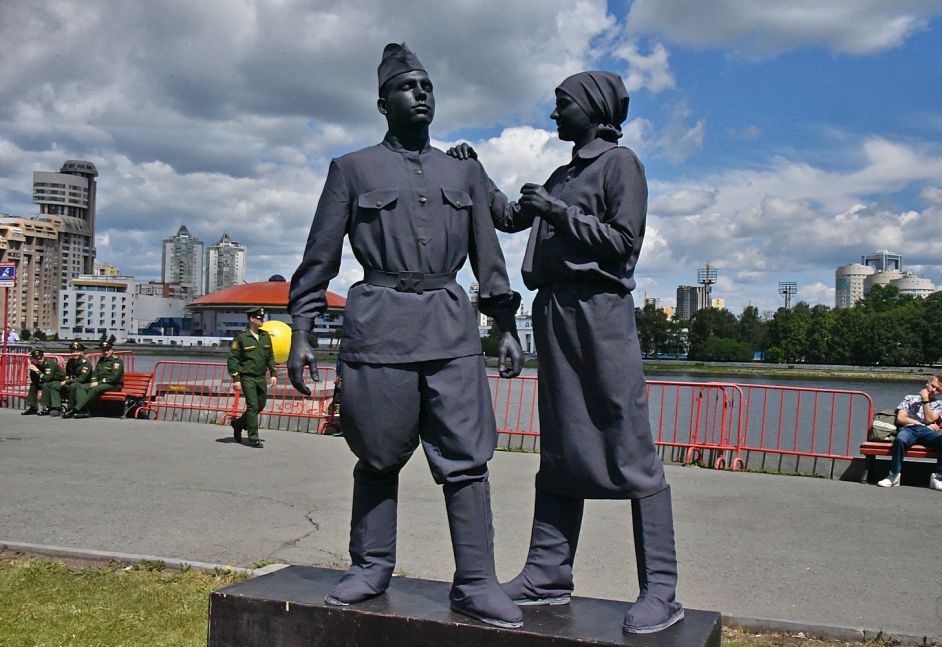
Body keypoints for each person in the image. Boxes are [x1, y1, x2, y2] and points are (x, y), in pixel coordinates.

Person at [287, 43, 524, 629]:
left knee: (467, 460)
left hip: (450, 329)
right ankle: (370, 567)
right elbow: (319, 257)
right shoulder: (352, 169)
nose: (421, 94)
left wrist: (506, 326)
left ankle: (476, 581)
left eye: (428, 86)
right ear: (382, 103)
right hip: (379, 331)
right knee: (377, 454)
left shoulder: (462, 172)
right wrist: (302, 330)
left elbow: (489, 256)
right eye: (408, 87)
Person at [448, 71, 682, 634]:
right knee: (559, 442)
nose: (554, 115)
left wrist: (557, 212)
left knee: (627, 439)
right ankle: (547, 574)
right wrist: (476, 171)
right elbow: (510, 218)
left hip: (601, 312)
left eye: (562, 104)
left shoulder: (621, 165)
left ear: (593, 108)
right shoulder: (562, 174)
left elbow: (624, 243)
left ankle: (661, 590)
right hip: (555, 311)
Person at [878, 375, 942, 491]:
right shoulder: (909, 398)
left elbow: (929, 419)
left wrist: (925, 400)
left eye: (938, 389)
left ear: (941, 392)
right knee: (900, 439)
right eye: (932, 386)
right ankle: (894, 475)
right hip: (910, 430)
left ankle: (938, 478)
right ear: (927, 383)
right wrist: (921, 423)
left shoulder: (941, 404)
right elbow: (901, 418)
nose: (933, 390)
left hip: (928, 433)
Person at [227, 306, 277, 448]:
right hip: (247, 377)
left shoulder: (265, 336)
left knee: (260, 405)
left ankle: (238, 424)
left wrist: (273, 373)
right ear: (251, 319)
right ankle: (253, 438)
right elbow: (233, 359)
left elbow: (270, 356)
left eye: (262, 318)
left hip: (261, 377)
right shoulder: (242, 338)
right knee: (253, 406)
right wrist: (236, 379)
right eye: (259, 318)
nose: (262, 320)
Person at [73, 336, 124, 419]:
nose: (106, 352)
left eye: (108, 350)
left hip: (114, 385)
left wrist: (98, 383)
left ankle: (76, 409)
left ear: (111, 350)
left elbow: (114, 377)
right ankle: (85, 410)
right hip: (101, 384)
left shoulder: (117, 360)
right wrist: (94, 381)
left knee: (96, 389)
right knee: (81, 387)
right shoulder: (101, 360)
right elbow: (95, 373)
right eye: (104, 350)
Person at [22, 349, 65, 416]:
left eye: (40, 358)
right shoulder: (37, 364)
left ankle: (49, 407)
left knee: (46, 385)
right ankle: (33, 407)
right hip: (48, 381)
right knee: (33, 385)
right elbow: (34, 380)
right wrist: (33, 371)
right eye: (37, 359)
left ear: (43, 357)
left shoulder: (49, 363)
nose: (39, 360)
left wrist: (37, 371)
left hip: (57, 381)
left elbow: (48, 378)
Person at [60, 340, 93, 418]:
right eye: (73, 352)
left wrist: (67, 381)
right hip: (74, 381)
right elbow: (67, 374)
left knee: (73, 386)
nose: (75, 353)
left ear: (82, 353)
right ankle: (55, 407)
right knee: (56, 385)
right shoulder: (70, 361)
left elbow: (82, 379)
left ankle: (71, 409)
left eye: (77, 352)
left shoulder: (86, 363)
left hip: (85, 383)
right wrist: (65, 380)